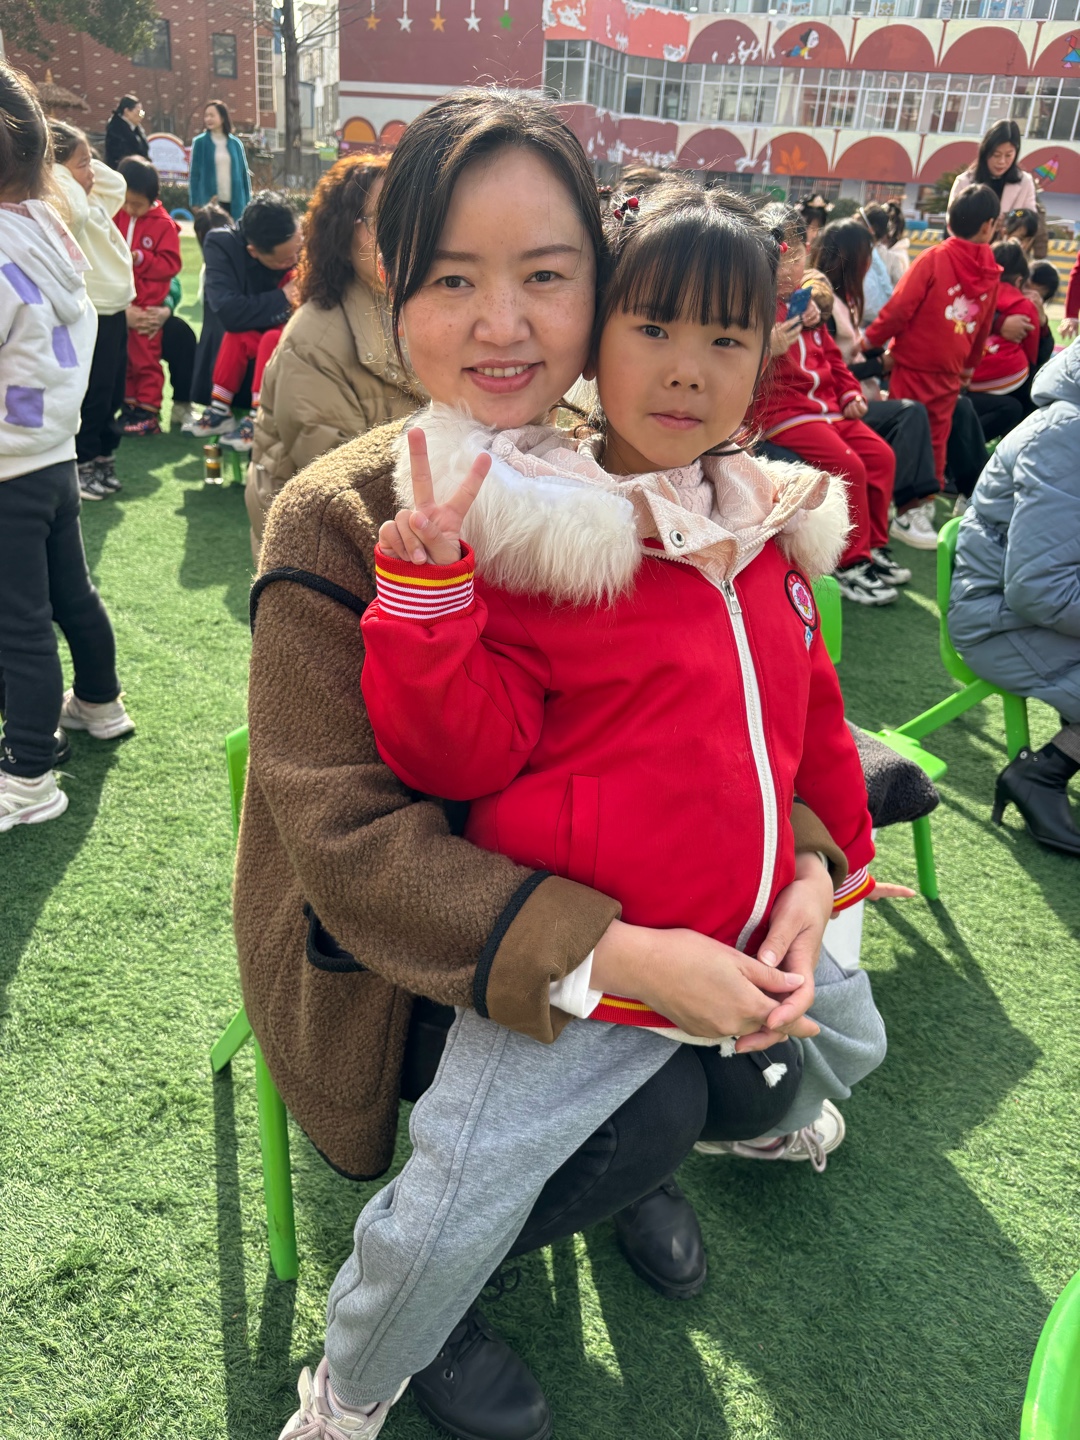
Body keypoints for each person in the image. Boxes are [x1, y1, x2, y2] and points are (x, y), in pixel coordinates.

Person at [237, 92, 879, 1440]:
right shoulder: (349, 514)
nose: (503, 324)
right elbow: (353, 853)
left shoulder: (652, 473)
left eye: (545, 276)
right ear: (390, 285)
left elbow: (765, 709)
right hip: (402, 960)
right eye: (451, 279)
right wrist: (626, 955)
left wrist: (811, 864)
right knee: (650, 1101)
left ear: (602, 283)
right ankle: (442, 1300)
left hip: (643, 907)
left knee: (762, 1049)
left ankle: (619, 1161)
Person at [0, 64, 134, 832]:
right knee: (71, 593)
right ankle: (99, 703)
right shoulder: (48, 226)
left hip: (10, 466)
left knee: (17, 623)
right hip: (51, 452)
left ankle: (29, 773)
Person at [948, 341, 1080, 857]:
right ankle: (1041, 775)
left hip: (1031, 612)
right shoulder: (1066, 436)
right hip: (999, 623)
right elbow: (1037, 589)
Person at [247, 153, 414, 558]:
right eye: (384, 221)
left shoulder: (416, 307)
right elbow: (347, 491)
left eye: (413, 218)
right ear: (342, 232)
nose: (404, 235)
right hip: (325, 558)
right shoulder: (313, 342)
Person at [754, 204, 898, 606]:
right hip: (786, 414)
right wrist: (766, 347)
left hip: (827, 411)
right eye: (782, 257)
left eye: (798, 255)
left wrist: (851, 392)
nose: (790, 267)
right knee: (852, 466)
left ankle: (874, 547)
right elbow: (734, 366)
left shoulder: (807, 304)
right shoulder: (754, 306)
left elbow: (834, 359)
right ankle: (852, 563)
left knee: (882, 457)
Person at [864, 183, 1002, 549]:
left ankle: (904, 507)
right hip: (951, 367)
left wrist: (869, 343)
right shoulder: (991, 271)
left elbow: (899, 308)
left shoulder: (934, 258)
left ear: (950, 220)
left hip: (912, 361)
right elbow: (982, 325)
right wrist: (969, 367)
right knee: (936, 436)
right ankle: (921, 503)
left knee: (908, 431)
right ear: (988, 226)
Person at [812, 217, 937, 535]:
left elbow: (851, 354)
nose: (871, 264)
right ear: (852, 258)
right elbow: (826, 371)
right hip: (836, 405)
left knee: (921, 408)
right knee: (910, 413)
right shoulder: (822, 306)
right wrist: (880, 365)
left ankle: (918, 501)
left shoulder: (845, 299)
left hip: (856, 396)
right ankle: (907, 508)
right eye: (868, 255)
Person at [50, 121, 135, 501]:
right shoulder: (66, 207)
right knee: (94, 393)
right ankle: (83, 463)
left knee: (113, 391)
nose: (92, 172)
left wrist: (81, 157)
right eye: (82, 164)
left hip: (114, 309)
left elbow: (117, 184)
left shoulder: (93, 197)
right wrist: (56, 168)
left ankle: (103, 455)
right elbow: (71, 206)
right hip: (93, 311)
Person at [187, 190, 299, 427]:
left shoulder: (306, 243)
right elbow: (230, 312)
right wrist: (282, 296)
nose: (294, 261)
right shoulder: (222, 244)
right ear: (253, 251)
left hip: (291, 349)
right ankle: (221, 409)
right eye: (283, 260)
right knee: (240, 336)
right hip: (240, 365)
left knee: (270, 339)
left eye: (297, 251)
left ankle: (258, 416)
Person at [112, 156, 181, 436]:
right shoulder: (117, 214)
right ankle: (130, 407)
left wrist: (141, 258)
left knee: (145, 361)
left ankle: (149, 412)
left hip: (148, 307)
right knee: (125, 360)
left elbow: (171, 265)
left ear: (152, 199)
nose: (131, 209)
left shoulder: (163, 225)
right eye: (126, 202)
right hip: (122, 303)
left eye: (137, 204)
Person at [968, 240, 1040, 441]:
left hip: (967, 375)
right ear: (1019, 280)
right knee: (1032, 387)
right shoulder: (1025, 305)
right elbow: (1032, 353)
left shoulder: (974, 293)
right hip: (1008, 377)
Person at [125, 274, 198, 431]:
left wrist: (164, 309)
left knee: (181, 335)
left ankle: (182, 404)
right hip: (110, 315)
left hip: (151, 312)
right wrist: (122, 312)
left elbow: (172, 281)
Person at [947, 120, 1037, 219]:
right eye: (996, 155)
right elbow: (953, 219)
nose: (1002, 161)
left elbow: (1027, 214)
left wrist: (1010, 216)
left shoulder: (1025, 182)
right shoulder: (964, 182)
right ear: (985, 152)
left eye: (1008, 155)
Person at [188, 100, 251, 218]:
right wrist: (195, 202)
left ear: (222, 118)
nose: (208, 119)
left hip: (235, 204)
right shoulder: (200, 143)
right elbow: (194, 175)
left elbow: (244, 175)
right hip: (210, 203)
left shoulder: (236, 144)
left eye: (212, 115)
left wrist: (248, 203)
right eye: (206, 116)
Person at [1026, 259, 1059, 372]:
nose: (1031, 298)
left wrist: (1043, 324)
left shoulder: (1041, 324)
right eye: (1026, 288)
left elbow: (1041, 359)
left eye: (1038, 297)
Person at [104, 95, 149, 170]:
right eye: (138, 111)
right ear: (127, 111)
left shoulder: (138, 130)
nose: (141, 116)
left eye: (142, 113)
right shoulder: (115, 129)